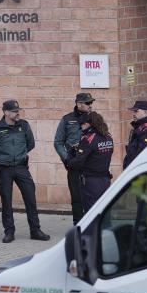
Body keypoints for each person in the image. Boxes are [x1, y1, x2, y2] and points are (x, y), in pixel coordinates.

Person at [0, 100, 50, 243]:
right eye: (14, 111)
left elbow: (30, 144)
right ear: (6, 112)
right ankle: (9, 232)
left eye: (18, 110)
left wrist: (20, 155)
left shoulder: (24, 125)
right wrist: (0, 157)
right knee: (6, 201)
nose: (17, 113)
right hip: (4, 168)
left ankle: (35, 230)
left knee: (30, 198)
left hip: (21, 167)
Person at [53, 92, 94, 224]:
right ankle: (78, 226)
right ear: (79, 104)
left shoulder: (94, 118)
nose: (90, 105)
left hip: (90, 164)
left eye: (91, 102)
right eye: (88, 103)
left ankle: (91, 224)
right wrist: (67, 159)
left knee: (91, 196)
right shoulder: (67, 119)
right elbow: (58, 142)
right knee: (76, 197)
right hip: (74, 163)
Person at [65, 112, 114, 212]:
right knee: (105, 212)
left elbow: (78, 162)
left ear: (88, 124)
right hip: (105, 180)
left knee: (91, 213)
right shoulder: (108, 136)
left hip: (91, 182)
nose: (80, 127)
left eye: (81, 124)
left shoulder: (88, 139)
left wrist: (69, 158)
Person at [123, 100, 147, 169]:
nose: (133, 114)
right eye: (133, 111)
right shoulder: (139, 127)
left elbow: (142, 154)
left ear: (146, 112)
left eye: (136, 111)